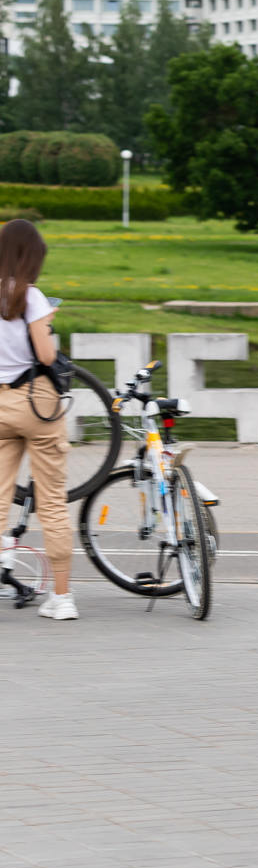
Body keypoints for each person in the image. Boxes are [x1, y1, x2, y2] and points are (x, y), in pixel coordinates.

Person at [0, 220, 74, 618]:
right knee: (53, 505)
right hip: (36, 404)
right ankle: (61, 599)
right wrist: (46, 321)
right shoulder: (32, 297)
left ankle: (4, 550)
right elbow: (46, 357)